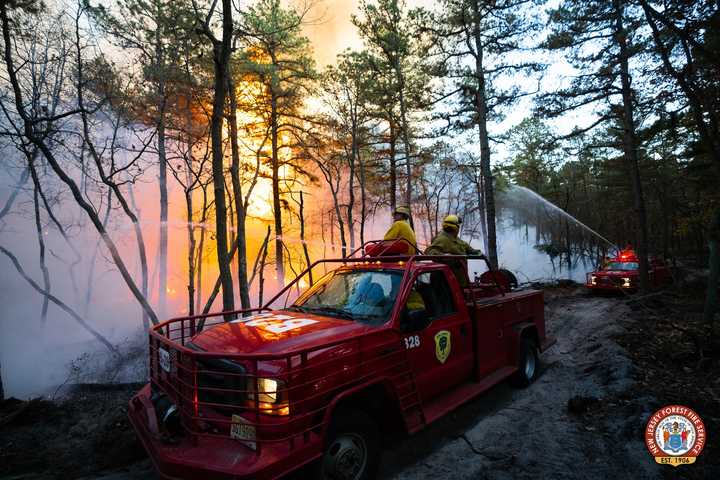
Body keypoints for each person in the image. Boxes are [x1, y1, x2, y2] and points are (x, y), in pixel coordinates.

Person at [425, 215, 481, 287]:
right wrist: (443, 256)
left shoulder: (455, 239)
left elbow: (468, 248)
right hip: (448, 284)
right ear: (455, 228)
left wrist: (477, 252)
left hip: (460, 281)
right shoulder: (442, 239)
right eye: (458, 226)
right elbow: (429, 252)